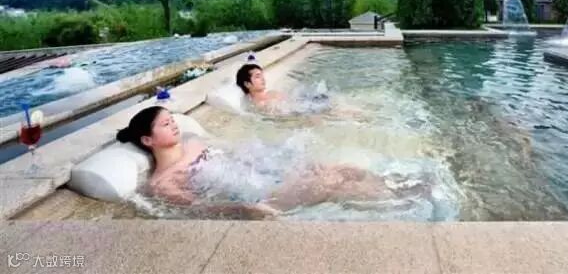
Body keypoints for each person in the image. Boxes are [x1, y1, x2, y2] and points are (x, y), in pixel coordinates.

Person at [116, 106, 412, 219]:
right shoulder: (163, 182)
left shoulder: (194, 144)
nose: (174, 125)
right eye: (165, 124)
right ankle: (404, 202)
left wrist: (292, 162)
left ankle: (398, 191)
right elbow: (198, 208)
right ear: (147, 140)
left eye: (172, 120)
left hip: (265, 175)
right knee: (332, 181)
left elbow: (238, 153)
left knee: (344, 169)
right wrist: (245, 209)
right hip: (260, 196)